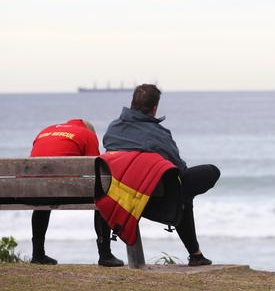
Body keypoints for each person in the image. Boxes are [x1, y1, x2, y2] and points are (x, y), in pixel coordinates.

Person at [103, 84, 220, 266]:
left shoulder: (113, 129)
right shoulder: (158, 134)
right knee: (203, 176)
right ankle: (195, 254)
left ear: (132, 103)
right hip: (156, 200)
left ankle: (104, 253)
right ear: (155, 108)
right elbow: (179, 168)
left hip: (120, 198)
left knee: (181, 192)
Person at [29, 119, 124, 267]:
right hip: (66, 191)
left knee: (43, 197)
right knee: (103, 198)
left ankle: (37, 255)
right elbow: (95, 170)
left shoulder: (46, 130)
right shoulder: (87, 134)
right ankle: (105, 255)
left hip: (34, 191)